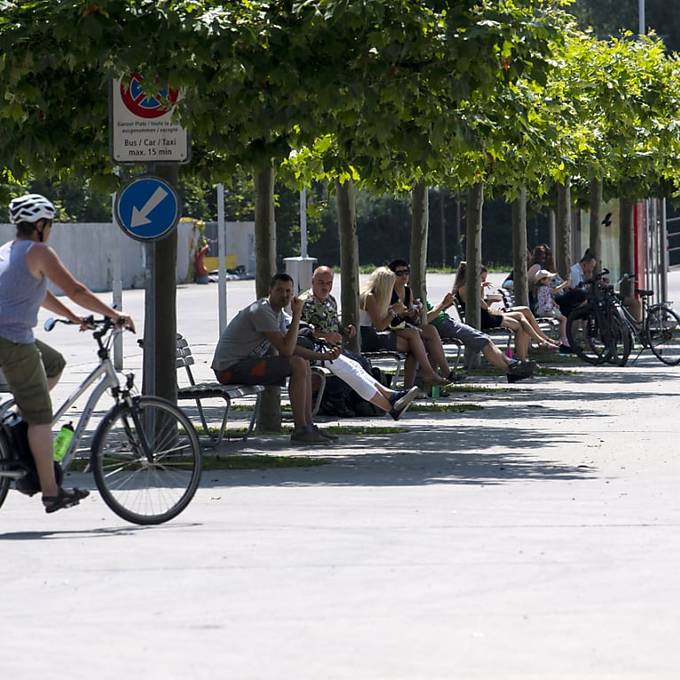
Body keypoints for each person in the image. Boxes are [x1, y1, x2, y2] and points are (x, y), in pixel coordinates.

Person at [0, 193, 135, 513]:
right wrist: (114, 315)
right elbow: (77, 290)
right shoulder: (40, 251)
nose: (52, 230)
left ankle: (19, 416)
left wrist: (76, 318)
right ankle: (51, 492)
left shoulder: (9, 251)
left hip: (8, 336)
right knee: (41, 416)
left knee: (54, 363)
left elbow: (40, 292)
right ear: (40, 225)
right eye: (50, 224)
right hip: (12, 341)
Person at [212, 273, 344, 444]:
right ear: (270, 291)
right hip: (228, 370)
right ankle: (301, 429)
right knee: (297, 363)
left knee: (302, 362)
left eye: (288, 291)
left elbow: (289, 347)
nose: (285, 295)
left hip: (243, 365)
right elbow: (287, 350)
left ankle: (308, 427)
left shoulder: (278, 314)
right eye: (279, 290)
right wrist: (297, 315)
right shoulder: (262, 310)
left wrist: (323, 356)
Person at [299, 266, 419, 419]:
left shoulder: (330, 300)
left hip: (332, 350)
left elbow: (334, 323)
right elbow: (299, 332)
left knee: (357, 365)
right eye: (321, 282)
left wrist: (344, 330)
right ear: (312, 281)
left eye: (329, 283)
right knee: (356, 366)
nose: (325, 287)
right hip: (315, 352)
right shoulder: (304, 302)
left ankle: (388, 399)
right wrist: (326, 336)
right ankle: (371, 403)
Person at [359, 267, 449, 389]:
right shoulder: (369, 297)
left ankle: (416, 383)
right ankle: (426, 375)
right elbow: (380, 326)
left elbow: (381, 323)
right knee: (417, 343)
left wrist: (402, 313)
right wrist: (393, 312)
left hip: (371, 334)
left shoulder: (374, 295)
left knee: (416, 340)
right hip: (366, 337)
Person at [426, 293, 534, 383]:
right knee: (483, 341)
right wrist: (443, 304)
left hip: (446, 321)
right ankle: (511, 370)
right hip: (443, 325)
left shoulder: (414, 291)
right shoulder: (467, 287)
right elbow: (426, 318)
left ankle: (511, 364)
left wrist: (444, 306)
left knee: (485, 339)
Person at [453, 262, 551, 361]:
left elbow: (482, 306)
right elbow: (484, 306)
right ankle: (528, 353)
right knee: (520, 323)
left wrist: (482, 291)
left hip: (483, 317)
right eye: (482, 279)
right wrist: (483, 292)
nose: (483, 281)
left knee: (521, 318)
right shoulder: (469, 288)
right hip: (485, 320)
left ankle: (535, 346)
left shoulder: (462, 288)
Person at [387, 259, 454, 382]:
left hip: (406, 326)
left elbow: (413, 318)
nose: (404, 276)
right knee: (425, 341)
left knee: (430, 331)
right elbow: (386, 315)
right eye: (399, 273)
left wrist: (415, 312)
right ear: (391, 275)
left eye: (406, 272)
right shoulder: (388, 292)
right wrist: (401, 312)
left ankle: (443, 373)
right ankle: (437, 375)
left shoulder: (408, 291)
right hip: (392, 327)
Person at [528, 244, 586, 319]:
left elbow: (563, 282)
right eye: (544, 255)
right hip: (549, 301)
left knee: (579, 297)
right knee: (578, 294)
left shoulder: (551, 270)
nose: (547, 258)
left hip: (557, 298)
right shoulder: (537, 268)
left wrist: (567, 285)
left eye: (548, 255)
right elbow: (534, 284)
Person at [534, 269, 570, 349]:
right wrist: (564, 285)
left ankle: (563, 338)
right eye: (548, 279)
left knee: (561, 317)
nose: (550, 281)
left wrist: (555, 304)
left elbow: (549, 297)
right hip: (545, 310)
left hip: (546, 309)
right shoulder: (544, 288)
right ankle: (563, 338)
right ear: (542, 280)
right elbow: (553, 291)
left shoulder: (543, 288)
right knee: (563, 319)